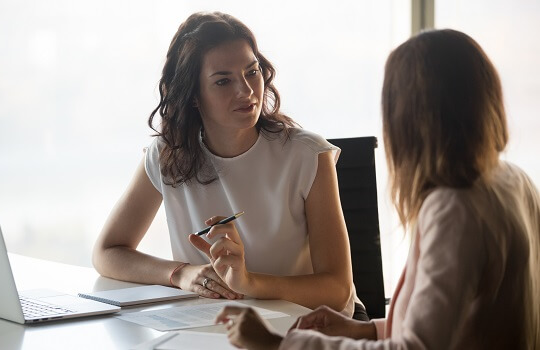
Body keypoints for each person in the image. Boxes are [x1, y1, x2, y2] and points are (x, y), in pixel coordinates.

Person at [215, 29, 540, 349]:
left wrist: (275, 344)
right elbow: (455, 325)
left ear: (407, 118)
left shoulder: (453, 208)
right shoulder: (514, 181)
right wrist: (365, 330)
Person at [92, 11, 366, 317]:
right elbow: (107, 252)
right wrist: (181, 274)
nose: (247, 91)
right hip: (217, 328)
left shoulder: (307, 154)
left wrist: (250, 283)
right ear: (193, 95)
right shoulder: (168, 154)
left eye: (252, 72)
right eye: (223, 81)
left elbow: (337, 289)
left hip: (315, 326)